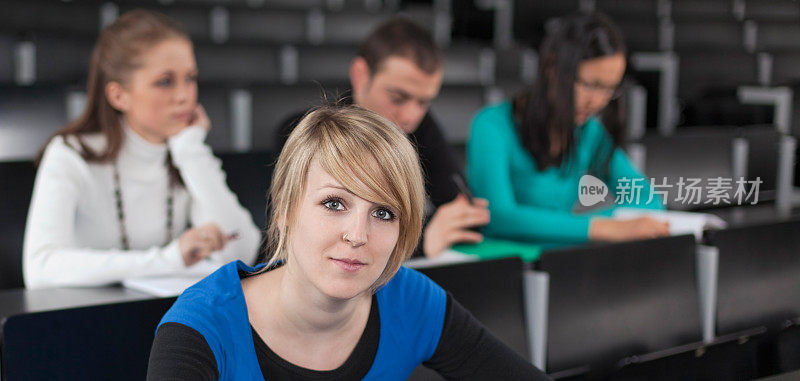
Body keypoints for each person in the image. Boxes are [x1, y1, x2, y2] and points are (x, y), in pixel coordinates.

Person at [147, 105, 550, 380]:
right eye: (334, 203)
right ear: (286, 210)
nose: (358, 236)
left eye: (384, 213)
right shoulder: (201, 328)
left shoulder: (411, 301)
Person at [23, 10, 260, 289]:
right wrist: (169, 258)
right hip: (83, 321)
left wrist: (191, 150)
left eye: (190, 78)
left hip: (165, 322)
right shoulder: (70, 153)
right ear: (118, 95)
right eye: (165, 82)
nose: (185, 95)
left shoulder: (185, 152)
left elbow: (243, 251)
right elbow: (40, 267)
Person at [275, 17, 489, 258]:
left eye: (424, 102)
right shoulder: (305, 134)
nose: (410, 116)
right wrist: (424, 236)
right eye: (397, 98)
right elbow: (296, 237)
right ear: (360, 75)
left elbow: (463, 213)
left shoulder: (417, 123)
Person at [467, 12, 669, 245]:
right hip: (504, 265)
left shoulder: (589, 132)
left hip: (561, 261)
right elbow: (499, 217)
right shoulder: (491, 125)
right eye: (591, 85)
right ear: (553, 68)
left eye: (609, 89)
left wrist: (614, 226)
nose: (599, 101)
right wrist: (605, 227)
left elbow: (647, 198)